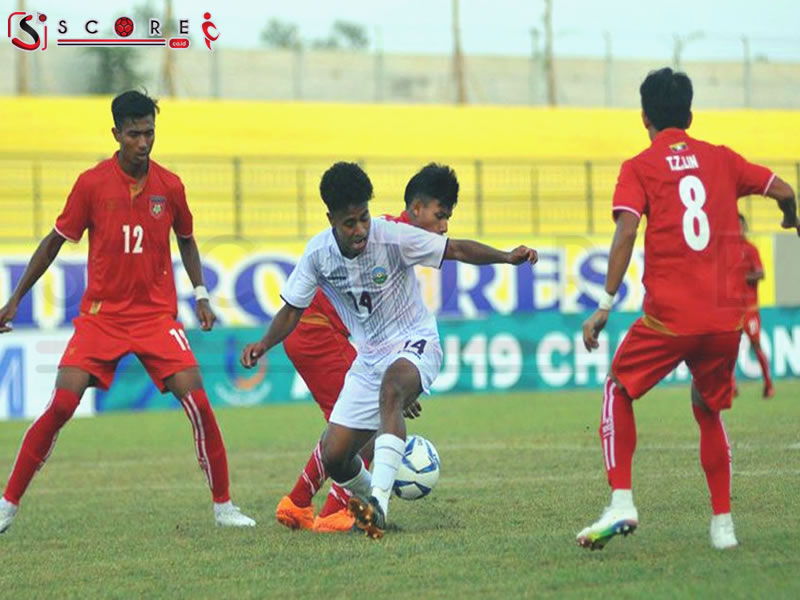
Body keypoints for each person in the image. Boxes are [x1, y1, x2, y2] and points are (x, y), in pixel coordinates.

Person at [0, 91, 255, 534]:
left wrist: (200, 294)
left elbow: (188, 239)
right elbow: (54, 241)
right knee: (62, 403)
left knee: (197, 401)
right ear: (116, 133)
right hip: (102, 317)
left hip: (157, 318)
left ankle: (224, 507)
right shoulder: (91, 184)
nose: (143, 142)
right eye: (134, 133)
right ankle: (7, 504)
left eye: (149, 133)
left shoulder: (170, 185)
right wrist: (15, 298)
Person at [241, 161, 537, 539]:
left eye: (364, 217)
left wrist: (506, 257)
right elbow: (292, 309)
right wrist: (264, 344)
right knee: (335, 455)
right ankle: (366, 500)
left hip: (416, 341)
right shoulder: (317, 254)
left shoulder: (393, 236)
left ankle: (378, 500)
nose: (361, 229)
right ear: (331, 219)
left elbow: (457, 249)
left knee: (393, 389)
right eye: (350, 223)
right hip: (369, 358)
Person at [577, 68, 798, 551]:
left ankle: (621, 500)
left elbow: (627, 231)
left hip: (669, 318)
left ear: (644, 118)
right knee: (707, 409)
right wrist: (790, 218)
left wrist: (605, 304)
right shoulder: (723, 160)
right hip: (724, 320)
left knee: (618, 388)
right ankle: (723, 527)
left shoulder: (639, 166)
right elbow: (784, 189)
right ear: (691, 115)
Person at [275, 163, 459, 533]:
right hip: (318, 330)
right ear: (418, 208)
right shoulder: (383, 235)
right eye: (440, 216)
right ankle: (334, 512)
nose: (443, 228)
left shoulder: (383, 233)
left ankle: (297, 502)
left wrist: (399, 371)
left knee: (355, 427)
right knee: (362, 432)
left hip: (323, 333)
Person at [735, 213, 774, 398]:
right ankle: (731, 387)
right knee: (726, 349)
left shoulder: (751, 250)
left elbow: (760, 273)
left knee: (756, 345)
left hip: (749, 310)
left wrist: (741, 278)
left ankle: (768, 384)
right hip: (731, 310)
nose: (738, 229)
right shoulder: (726, 251)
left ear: (745, 227)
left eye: (741, 226)